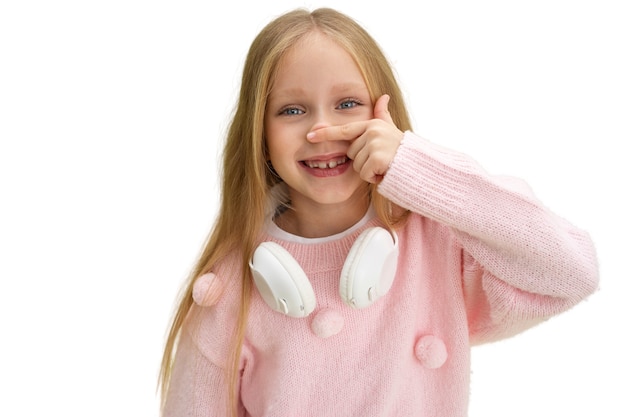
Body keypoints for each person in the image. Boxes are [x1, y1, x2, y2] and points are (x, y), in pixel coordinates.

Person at [158, 7, 599, 417]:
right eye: (292, 110)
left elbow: (570, 271)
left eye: (347, 104)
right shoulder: (229, 288)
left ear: (383, 116)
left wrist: (416, 167)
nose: (321, 130)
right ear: (259, 133)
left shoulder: (436, 242)